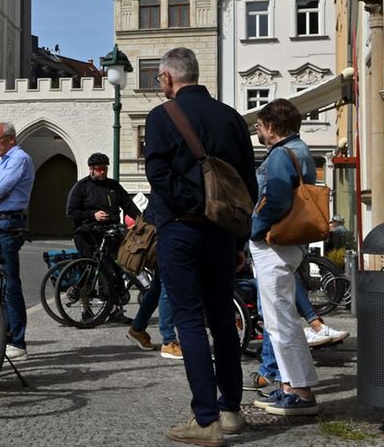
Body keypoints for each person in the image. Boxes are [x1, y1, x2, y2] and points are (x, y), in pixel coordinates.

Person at [143, 47, 257, 445]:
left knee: (189, 320)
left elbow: (157, 173)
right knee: (223, 318)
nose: (161, 86)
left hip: (182, 228)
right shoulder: (232, 118)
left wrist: (191, 203)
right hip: (224, 232)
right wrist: (239, 236)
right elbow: (247, 183)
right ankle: (231, 412)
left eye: (159, 79)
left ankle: (205, 419)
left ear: (169, 78)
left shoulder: (162, 117)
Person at [248, 99, 321, 416]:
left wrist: (255, 229)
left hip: (274, 242)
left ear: (273, 127)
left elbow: (275, 200)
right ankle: (290, 387)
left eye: (261, 125)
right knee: (283, 318)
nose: (258, 130)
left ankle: (300, 393)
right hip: (291, 241)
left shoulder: (280, 155)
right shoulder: (300, 149)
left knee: (280, 321)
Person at [66, 152, 141, 323]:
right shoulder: (81, 187)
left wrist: (141, 221)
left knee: (116, 269)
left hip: (110, 232)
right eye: (99, 169)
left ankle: (115, 310)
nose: (102, 172)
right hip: (87, 233)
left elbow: (128, 205)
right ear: (91, 169)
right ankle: (86, 310)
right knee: (91, 269)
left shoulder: (113, 186)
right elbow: (71, 212)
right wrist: (93, 215)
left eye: (105, 169)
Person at [0, 121, 35, 359]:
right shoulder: (3, 161)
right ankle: (3, 335)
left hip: (7, 223)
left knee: (8, 283)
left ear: (11, 139)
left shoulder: (19, 158)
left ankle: (17, 341)